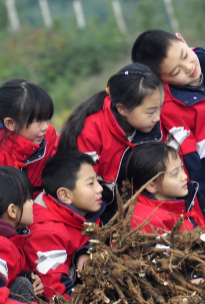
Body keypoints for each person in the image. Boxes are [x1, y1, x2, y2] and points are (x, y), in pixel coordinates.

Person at [131, 30, 205, 225]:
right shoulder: (169, 110)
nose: (189, 66)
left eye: (184, 55)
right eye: (176, 72)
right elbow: (192, 173)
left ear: (182, 39)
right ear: (161, 80)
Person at [58, 64, 167, 223]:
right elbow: (84, 189)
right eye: (151, 112)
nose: (157, 117)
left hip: (136, 203)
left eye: (160, 108)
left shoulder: (149, 124)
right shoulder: (90, 131)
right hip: (99, 207)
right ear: (122, 109)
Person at [23, 151, 105, 301]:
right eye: (91, 183)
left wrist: (86, 250)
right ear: (65, 195)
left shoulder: (84, 211)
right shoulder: (47, 231)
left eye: (97, 180)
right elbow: (54, 288)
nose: (100, 189)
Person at [126, 142, 204, 234]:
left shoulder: (173, 204)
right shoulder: (151, 222)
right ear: (152, 185)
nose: (185, 177)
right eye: (175, 174)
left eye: (182, 168)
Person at [0, 167, 43, 304]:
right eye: (28, 199)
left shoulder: (10, 239)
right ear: (12, 211)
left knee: (23, 283)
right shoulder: (3, 245)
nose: (33, 203)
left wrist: (27, 276)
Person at [0, 79, 56, 196]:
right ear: (11, 124)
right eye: (39, 120)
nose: (46, 126)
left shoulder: (49, 135)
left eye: (47, 118)